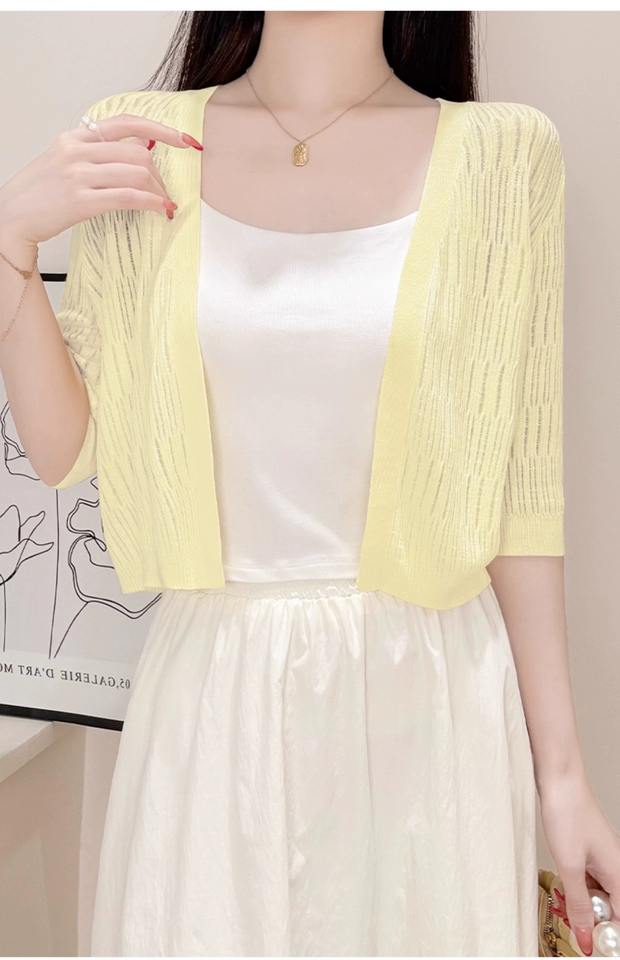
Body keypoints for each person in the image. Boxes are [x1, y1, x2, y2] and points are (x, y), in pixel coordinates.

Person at [1, 10, 619, 958]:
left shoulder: (506, 154)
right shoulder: (139, 142)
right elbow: (65, 451)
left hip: (431, 695)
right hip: (213, 690)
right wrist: (8, 244)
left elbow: (521, 495)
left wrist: (564, 777)